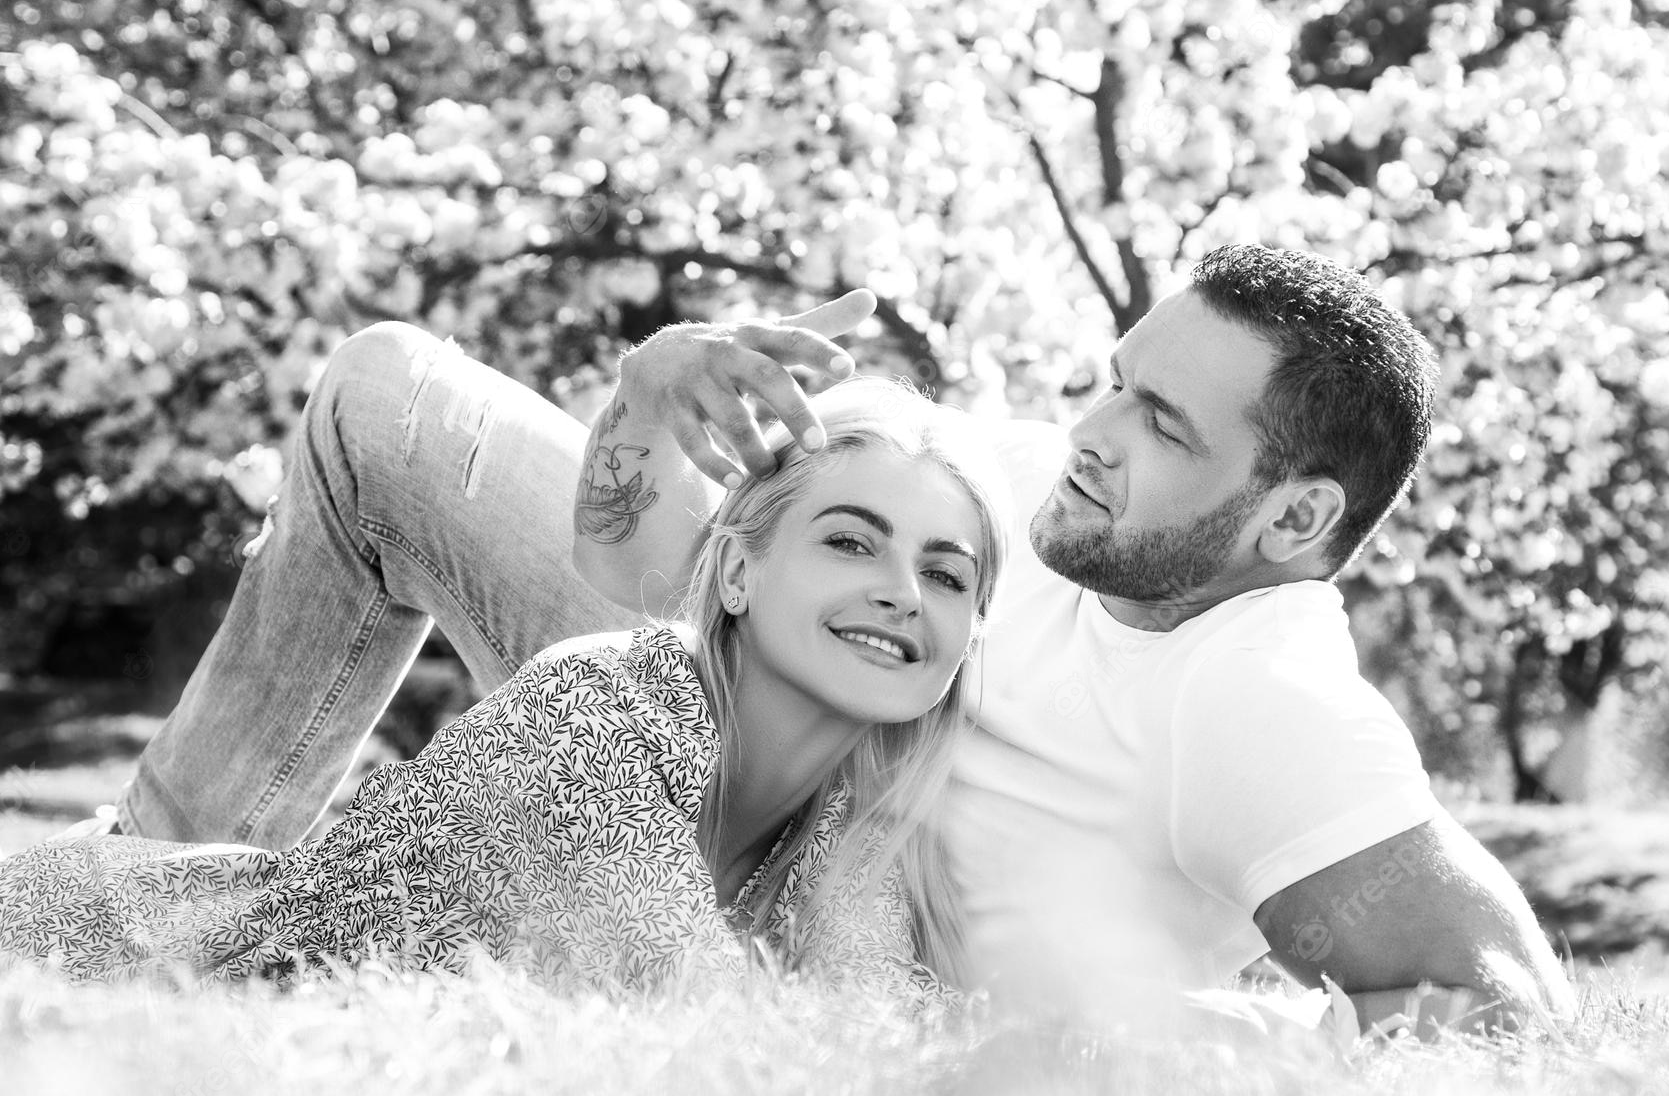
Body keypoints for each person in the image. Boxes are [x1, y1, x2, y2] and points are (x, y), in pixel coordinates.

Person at [100, 242, 1569, 1033]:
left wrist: (1185, 1034)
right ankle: (141, 887)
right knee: (385, 400)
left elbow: (1500, 1006)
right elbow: (642, 563)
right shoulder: (1027, 492)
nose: (1091, 433)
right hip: (700, 737)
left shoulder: (1260, 697)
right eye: (1117, 382)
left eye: (1162, 423)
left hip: (807, 947)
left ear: (1296, 518)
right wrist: (651, 407)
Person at [0, 379, 1008, 1000]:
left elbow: (893, 1038)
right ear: (736, 573)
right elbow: (711, 1033)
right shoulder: (594, 716)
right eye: (849, 542)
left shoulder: (851, 838)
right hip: (97, 963)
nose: (898, 594)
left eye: (946, 574)